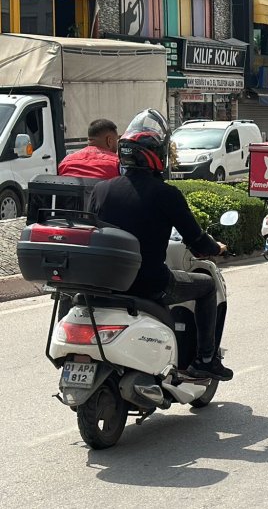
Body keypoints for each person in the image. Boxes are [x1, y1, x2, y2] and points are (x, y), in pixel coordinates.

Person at [89, 109, 232, 381]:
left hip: (106, 283)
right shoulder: (167, 194)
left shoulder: (101, 190)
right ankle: (204, 360)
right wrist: (216, 248)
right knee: (206, 286)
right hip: (150, 284)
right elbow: (197, 240)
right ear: (157, 155)